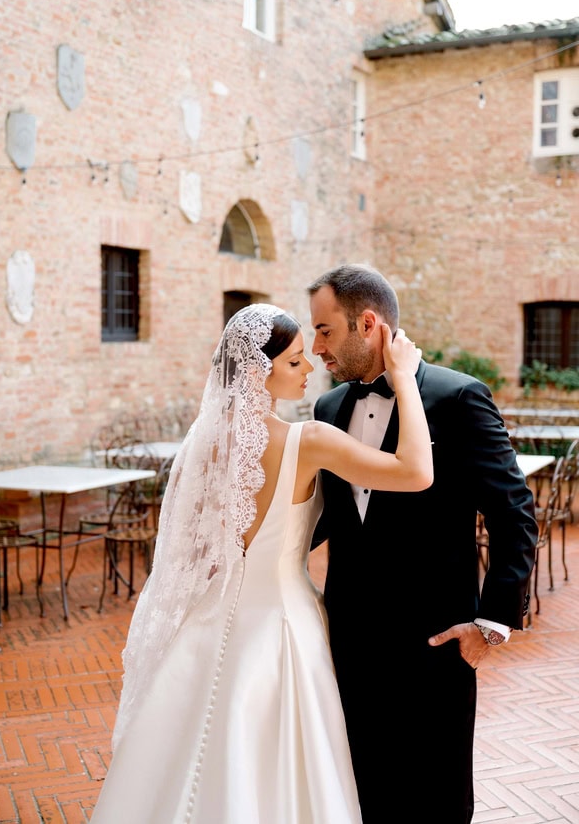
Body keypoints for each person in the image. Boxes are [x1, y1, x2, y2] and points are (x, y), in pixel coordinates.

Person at [90, 302, 432, 824]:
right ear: (257, 371)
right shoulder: (308, 440)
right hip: (282, 628)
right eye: (296, 362)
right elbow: (414, 472)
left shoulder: (204, 444)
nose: (310, 368)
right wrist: (405, 380)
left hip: (205, 623)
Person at [307, 264, 539, 824]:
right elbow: (322, 519)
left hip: (435, 638)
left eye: (324, 330)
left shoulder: (458, 397)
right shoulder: (325, 410)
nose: (316, 347)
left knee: (437, 792)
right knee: (361, 784)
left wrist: (493, 622)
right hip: (350, 637)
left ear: (367, 323)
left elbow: (514, 514)